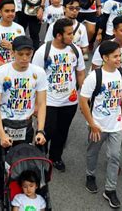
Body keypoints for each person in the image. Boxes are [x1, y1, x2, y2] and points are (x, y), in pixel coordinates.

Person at [0, 35, 47, 205]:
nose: (24, 58)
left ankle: (20, 193)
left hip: (25, 126)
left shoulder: (38, 73)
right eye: (20, 54)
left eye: (28, 54)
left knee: (22, 163)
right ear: (13, 53)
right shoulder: (1, 73)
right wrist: (1, 135)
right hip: (4, 125)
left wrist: (41, 130)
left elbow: (42, 103)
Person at [79, 40, 122, 209]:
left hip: (115, 124)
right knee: (93, 152)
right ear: (105, 57)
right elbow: (83, 101)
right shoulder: (95, 76)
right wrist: (92, 124)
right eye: (115, 56)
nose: (119, 59)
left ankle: (110, 189)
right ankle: (90, 175)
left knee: (115, 156)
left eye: (119, 55)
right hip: (98, 124)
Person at [32, 18, 86, 172]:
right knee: (47, 130)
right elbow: (34, 79)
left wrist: (83, 96)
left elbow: (80, 73)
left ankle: (55, 157)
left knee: (62, 132)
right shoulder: (43, 51)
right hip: (48, 101)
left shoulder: (75, 50)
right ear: (58, 35)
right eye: (69, 34)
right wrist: (35, 104)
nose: (72, 37)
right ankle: (39, 158)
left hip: (69, 101)